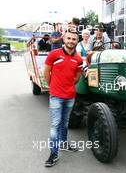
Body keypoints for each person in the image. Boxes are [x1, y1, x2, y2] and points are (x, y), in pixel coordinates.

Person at [44, 29, 83, 167]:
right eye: (69, 38)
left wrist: (69, 86)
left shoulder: (78, 59)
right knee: (55, 125)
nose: (71, 41)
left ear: (77, 41)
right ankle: (53, 154)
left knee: (65, 122)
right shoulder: (54, 54)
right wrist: (53, 87)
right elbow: (46, 73)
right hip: (56, 96)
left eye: (74, 39)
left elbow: (77, 77)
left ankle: (64, 143)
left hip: (70, 96)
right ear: (64, 39)